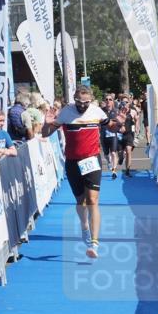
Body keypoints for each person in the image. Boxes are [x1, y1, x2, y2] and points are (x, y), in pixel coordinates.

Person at [52, 86, 120, 259]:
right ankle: (84, 226)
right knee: (81, 202)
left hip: (91, 160)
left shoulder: (97, 111)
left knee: (92, 201)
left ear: (91, 100)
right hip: (73, 162)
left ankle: (94, 243)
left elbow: (112, 127)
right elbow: (46, 133)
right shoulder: (66, 112)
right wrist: (47, 124)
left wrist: (119, 123)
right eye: (79, 102)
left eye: (86, 102)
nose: (82, 106)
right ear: (74, 99)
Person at [100, 96, 122, 179]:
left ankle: (114, 170)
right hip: (103, 135)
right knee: (106, 154)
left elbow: (120, 122)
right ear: (104, 101)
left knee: (113, 153)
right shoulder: (101, 111)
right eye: (106, 99)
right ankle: (109, 162)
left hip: (113, 135)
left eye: (110, 99)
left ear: (113, 101)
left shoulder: (116, 111)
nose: (108, 101)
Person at [120, 99, 139, 177]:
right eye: (123, 102)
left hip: (130, 133)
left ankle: (127, 170)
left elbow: (137, 120)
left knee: (128, 151)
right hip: (120, 134)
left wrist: (137, 128)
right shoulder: (119, 111)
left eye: (126, 102)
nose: (124, 103)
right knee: (121, 153)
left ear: (129, 103)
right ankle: (121, 156)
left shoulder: (133, 111)